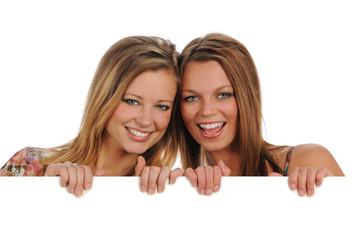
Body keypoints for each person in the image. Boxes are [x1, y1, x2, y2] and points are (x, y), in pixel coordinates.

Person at [0, 36, 183, 196]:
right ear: (104, 98)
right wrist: (47, 193)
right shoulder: (29, 166)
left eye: (161, 106)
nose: (145, 120)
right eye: (132, 101)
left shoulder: (172, 186)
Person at [175, 33, 344, 196]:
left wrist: (330, 199)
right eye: (191, 97)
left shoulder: (308, 161)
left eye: (223, 95)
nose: (206, 111)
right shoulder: (185, 186)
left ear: (247, 96)